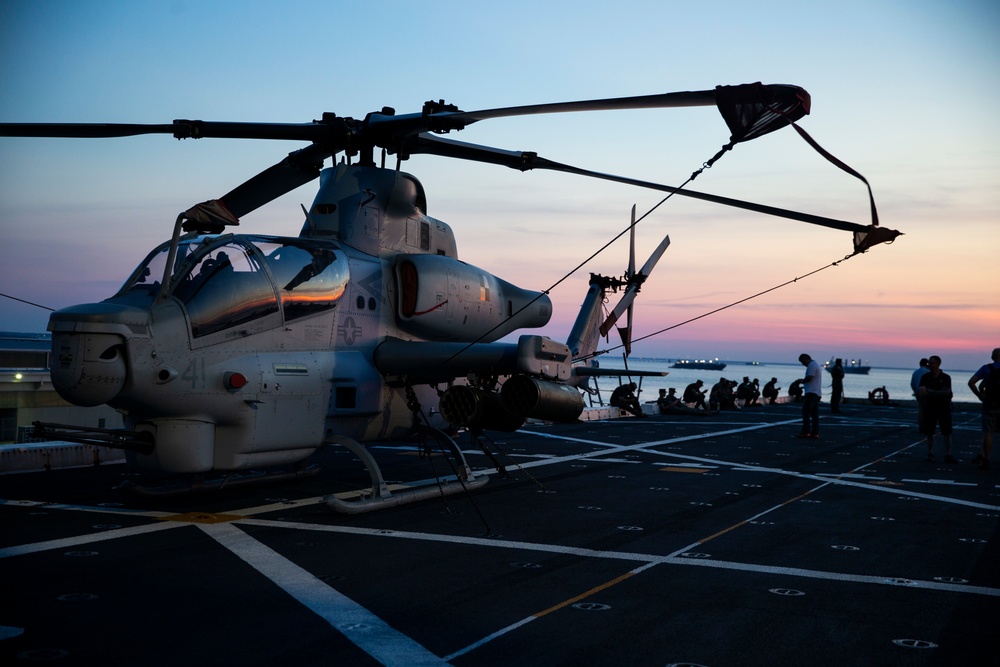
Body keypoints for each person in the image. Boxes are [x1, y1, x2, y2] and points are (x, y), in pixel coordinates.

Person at [918, 355, 956, 463]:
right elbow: (922, 391)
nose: (929, 365)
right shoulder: (925, 377)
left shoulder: (946, 377)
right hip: (930, 408)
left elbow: (946, 392)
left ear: (938, 364)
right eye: (929, 363)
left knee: (947, 431)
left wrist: (931, 391)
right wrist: (938, 392)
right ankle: (930, 453)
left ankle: (948, 453)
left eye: (932, 363)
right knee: (929, 432)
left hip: (944, 408)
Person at [968, 347, 1000, 470]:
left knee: (988, 433)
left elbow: (971, 382)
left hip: (989, 405)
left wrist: (980, 396)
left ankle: (986, 458)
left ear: (992, 357)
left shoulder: (986, 368)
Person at [795, 353, 822, 439]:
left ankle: (806, 431)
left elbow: (810, 377)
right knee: (814, 415)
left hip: (811, 393)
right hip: (816, 393)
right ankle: (815, 433)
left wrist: (801, 381)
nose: (803, 364)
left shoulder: (812, 365)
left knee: (805, 412)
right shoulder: (816, 364)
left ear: (806, 359)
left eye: (803, 362)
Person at [911, 358, 930, 425]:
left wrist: (915, 391)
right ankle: (926, 424)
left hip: (918, 392)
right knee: (927, 409)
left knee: (921, 409)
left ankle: (921, 424)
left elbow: (912, 384)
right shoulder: (928, 372)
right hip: (926, 392)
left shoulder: (915, 372)